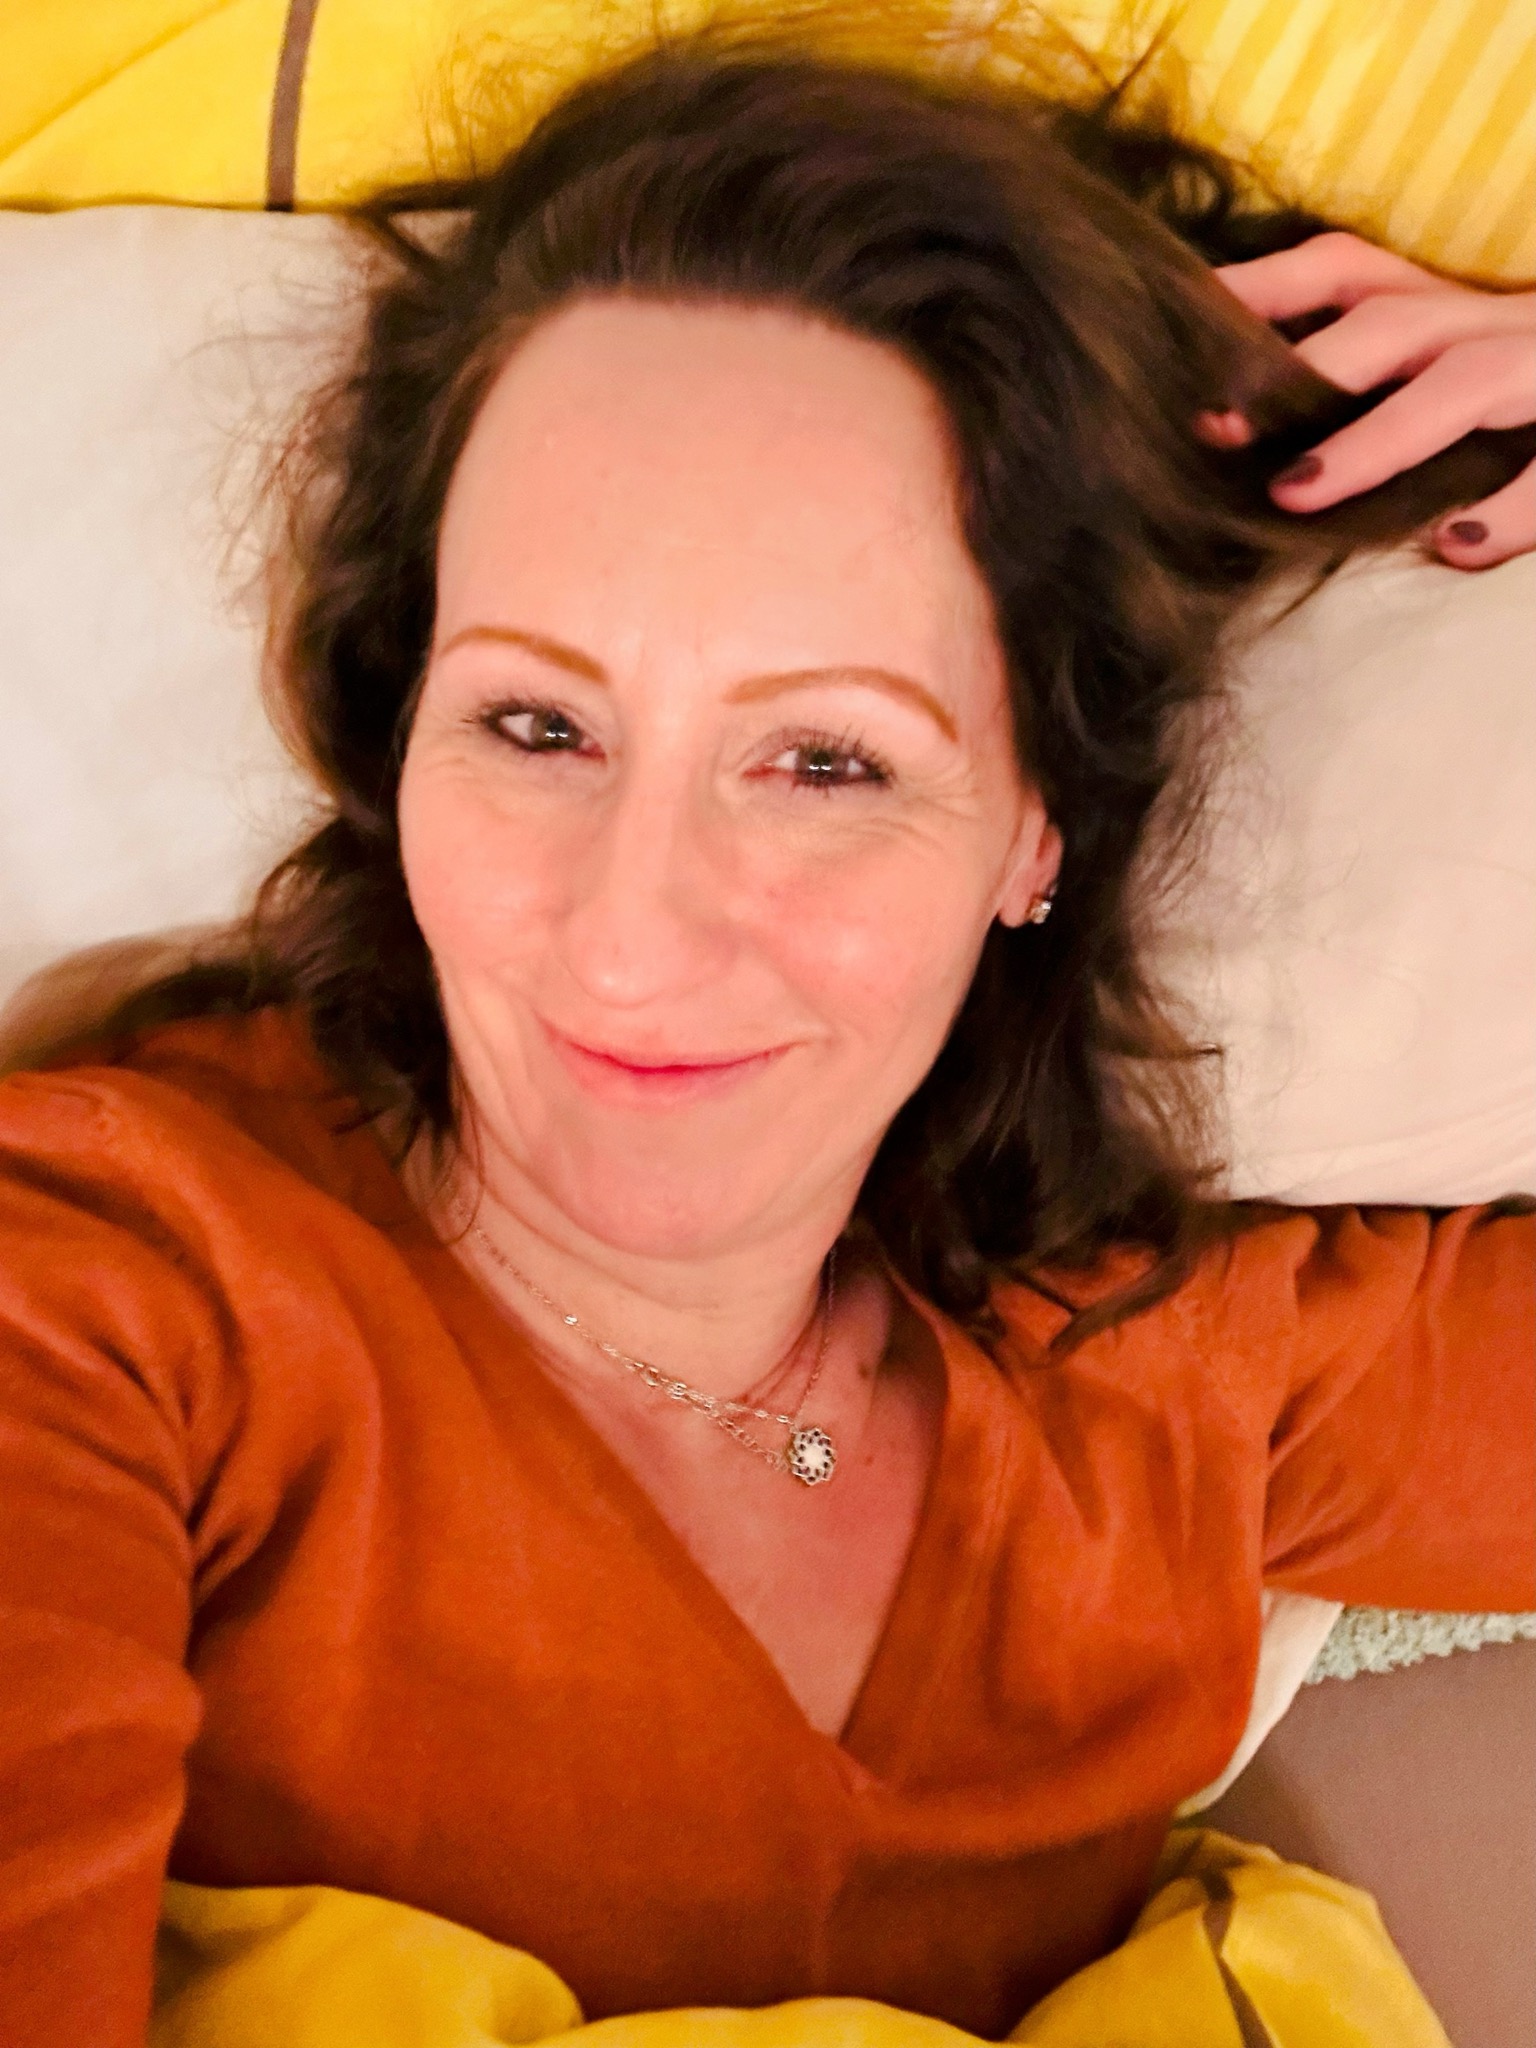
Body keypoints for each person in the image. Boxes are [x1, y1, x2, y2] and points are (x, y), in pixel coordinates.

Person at [0, 35, 1531, 2048]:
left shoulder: (1174, 1370)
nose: (631, 935)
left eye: (825, 760)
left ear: (1037, 827)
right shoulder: (97, 1302)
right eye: (537, 725)